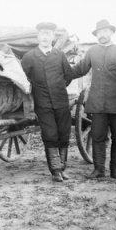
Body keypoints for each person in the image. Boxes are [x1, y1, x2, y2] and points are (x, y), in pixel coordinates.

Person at [69, 19, 116, 180]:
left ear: (111, 33)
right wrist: (61, 70)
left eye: (106, 31)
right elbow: (80, 69)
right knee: (98, 136)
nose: (103, 35)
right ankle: (99, 169)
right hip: (98, 104)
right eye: (99, 32)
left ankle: (115, 170)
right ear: (97, 34)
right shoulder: (92, 52)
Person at [21, 22, 75, 182]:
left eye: (48, 34)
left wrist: (57, 87)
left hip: (61, 100)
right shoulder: (30, 56)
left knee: (64, 133)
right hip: (42, 102)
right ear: (38, 36)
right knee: (50, 134)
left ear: (53, 37)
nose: (45, 37)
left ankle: (63, 168)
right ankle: (56, 171)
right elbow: (23, 79)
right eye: (42, 34)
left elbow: (69, 76)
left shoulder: (59, 55)